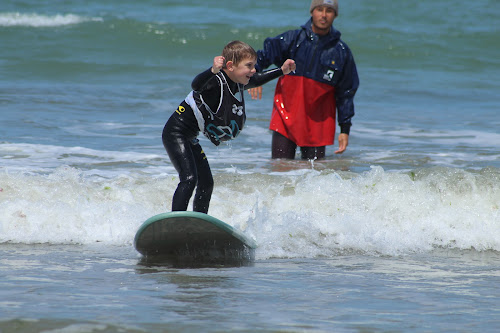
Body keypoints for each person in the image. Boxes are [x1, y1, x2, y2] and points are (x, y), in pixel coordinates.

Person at [162, 41, 296, 213]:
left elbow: (257, 80)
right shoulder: (215, 82)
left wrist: (282, 71)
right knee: (189, 179)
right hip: (175, 133)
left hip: (190, 137)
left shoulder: (237, 83)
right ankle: (176, 221)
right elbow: (196, 85)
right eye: (249, 65)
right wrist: (212, 70)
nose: (254, 70)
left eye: (254, 65)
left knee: (207, 183)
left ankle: (198, 222)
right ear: (231, 66)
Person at [248, 0, 359, 160]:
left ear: (335, 15)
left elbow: (346, 92)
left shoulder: (341, 52)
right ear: (312, 12)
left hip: (318, 124)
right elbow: (265, 54)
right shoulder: (292, 39)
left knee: (313, 177)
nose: (323, 15)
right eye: (319, 9)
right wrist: (255, 74)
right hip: (285, 116)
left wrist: (345, 129)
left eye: (329, 10)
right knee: (280, 169)